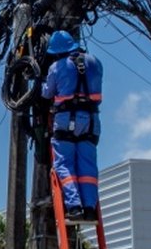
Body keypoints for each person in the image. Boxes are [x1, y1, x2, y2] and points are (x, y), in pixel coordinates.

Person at [41, 30, 104, 221]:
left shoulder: (57, 67)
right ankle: (90, 208)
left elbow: (46, 93)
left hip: (66, 119)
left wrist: (40, 82)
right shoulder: (95, 62)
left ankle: (74, 207)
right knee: (87, 167)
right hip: (91, 121)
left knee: (65, 165)